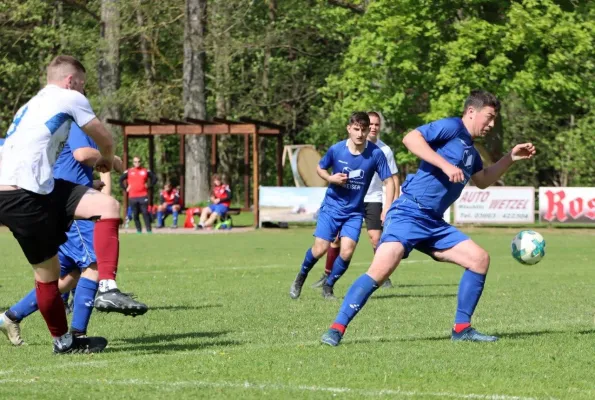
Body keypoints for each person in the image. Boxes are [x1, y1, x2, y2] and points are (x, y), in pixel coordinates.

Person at [320, 90, 536, 346]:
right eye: (488, 118)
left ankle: (462, 329)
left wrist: (510, 158)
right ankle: (336, 328)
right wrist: (445, 165)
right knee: (380, 270)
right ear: (471, 112)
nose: (490, 125)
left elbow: (483, 180)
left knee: (479, 259)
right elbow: (410, 138)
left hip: (434, 222)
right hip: (409, 213)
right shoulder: (451, 127)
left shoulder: (471, 151)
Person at [0, 55, 138, 353]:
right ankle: (64, 338)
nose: (83, 91)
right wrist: (109, 158)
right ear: (70, 81)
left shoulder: (31, 105)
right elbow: (104, 137)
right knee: (52, 277)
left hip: (30, 190)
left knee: (106, 207)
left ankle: (105, 290)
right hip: (23, 196)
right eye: (83, 84)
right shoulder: (69, 97)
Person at [289, 112, 395, 300]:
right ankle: (301, 276)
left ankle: (328, 285)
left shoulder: (376, 154)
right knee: (320, 248)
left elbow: (390, 181)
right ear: (349, 129)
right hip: (332, 207)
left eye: (363, 129)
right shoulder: (337, 150)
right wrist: (331, 178)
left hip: (354, 211)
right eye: (356, 129)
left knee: (347, 251)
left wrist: (387, 208)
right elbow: (320, 168)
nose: (360, 134)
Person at [313, 111, 400, 290]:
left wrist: (390, 205)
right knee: (335, 240)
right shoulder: (345, 147)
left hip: (374, 198)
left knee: (376, 238)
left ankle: (382, 274)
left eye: (376, 125)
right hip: (350, 199)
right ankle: (328, 275)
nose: (373, 128)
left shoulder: (384, 150)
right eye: (371, 124)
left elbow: (393, 179)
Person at [119, 156, 157, 233]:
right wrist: (125, 188)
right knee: (135, 214)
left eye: (138, 161)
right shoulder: (129, 171)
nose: (137, 163)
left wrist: (149, 186)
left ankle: (149, 230)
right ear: (133, 163)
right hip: (132, 196)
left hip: (143, 195)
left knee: (145, 213)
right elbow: (120, 179)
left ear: (140, 162)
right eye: (135, 162)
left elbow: (154, 178)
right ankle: (139, 230)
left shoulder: (145, 171)